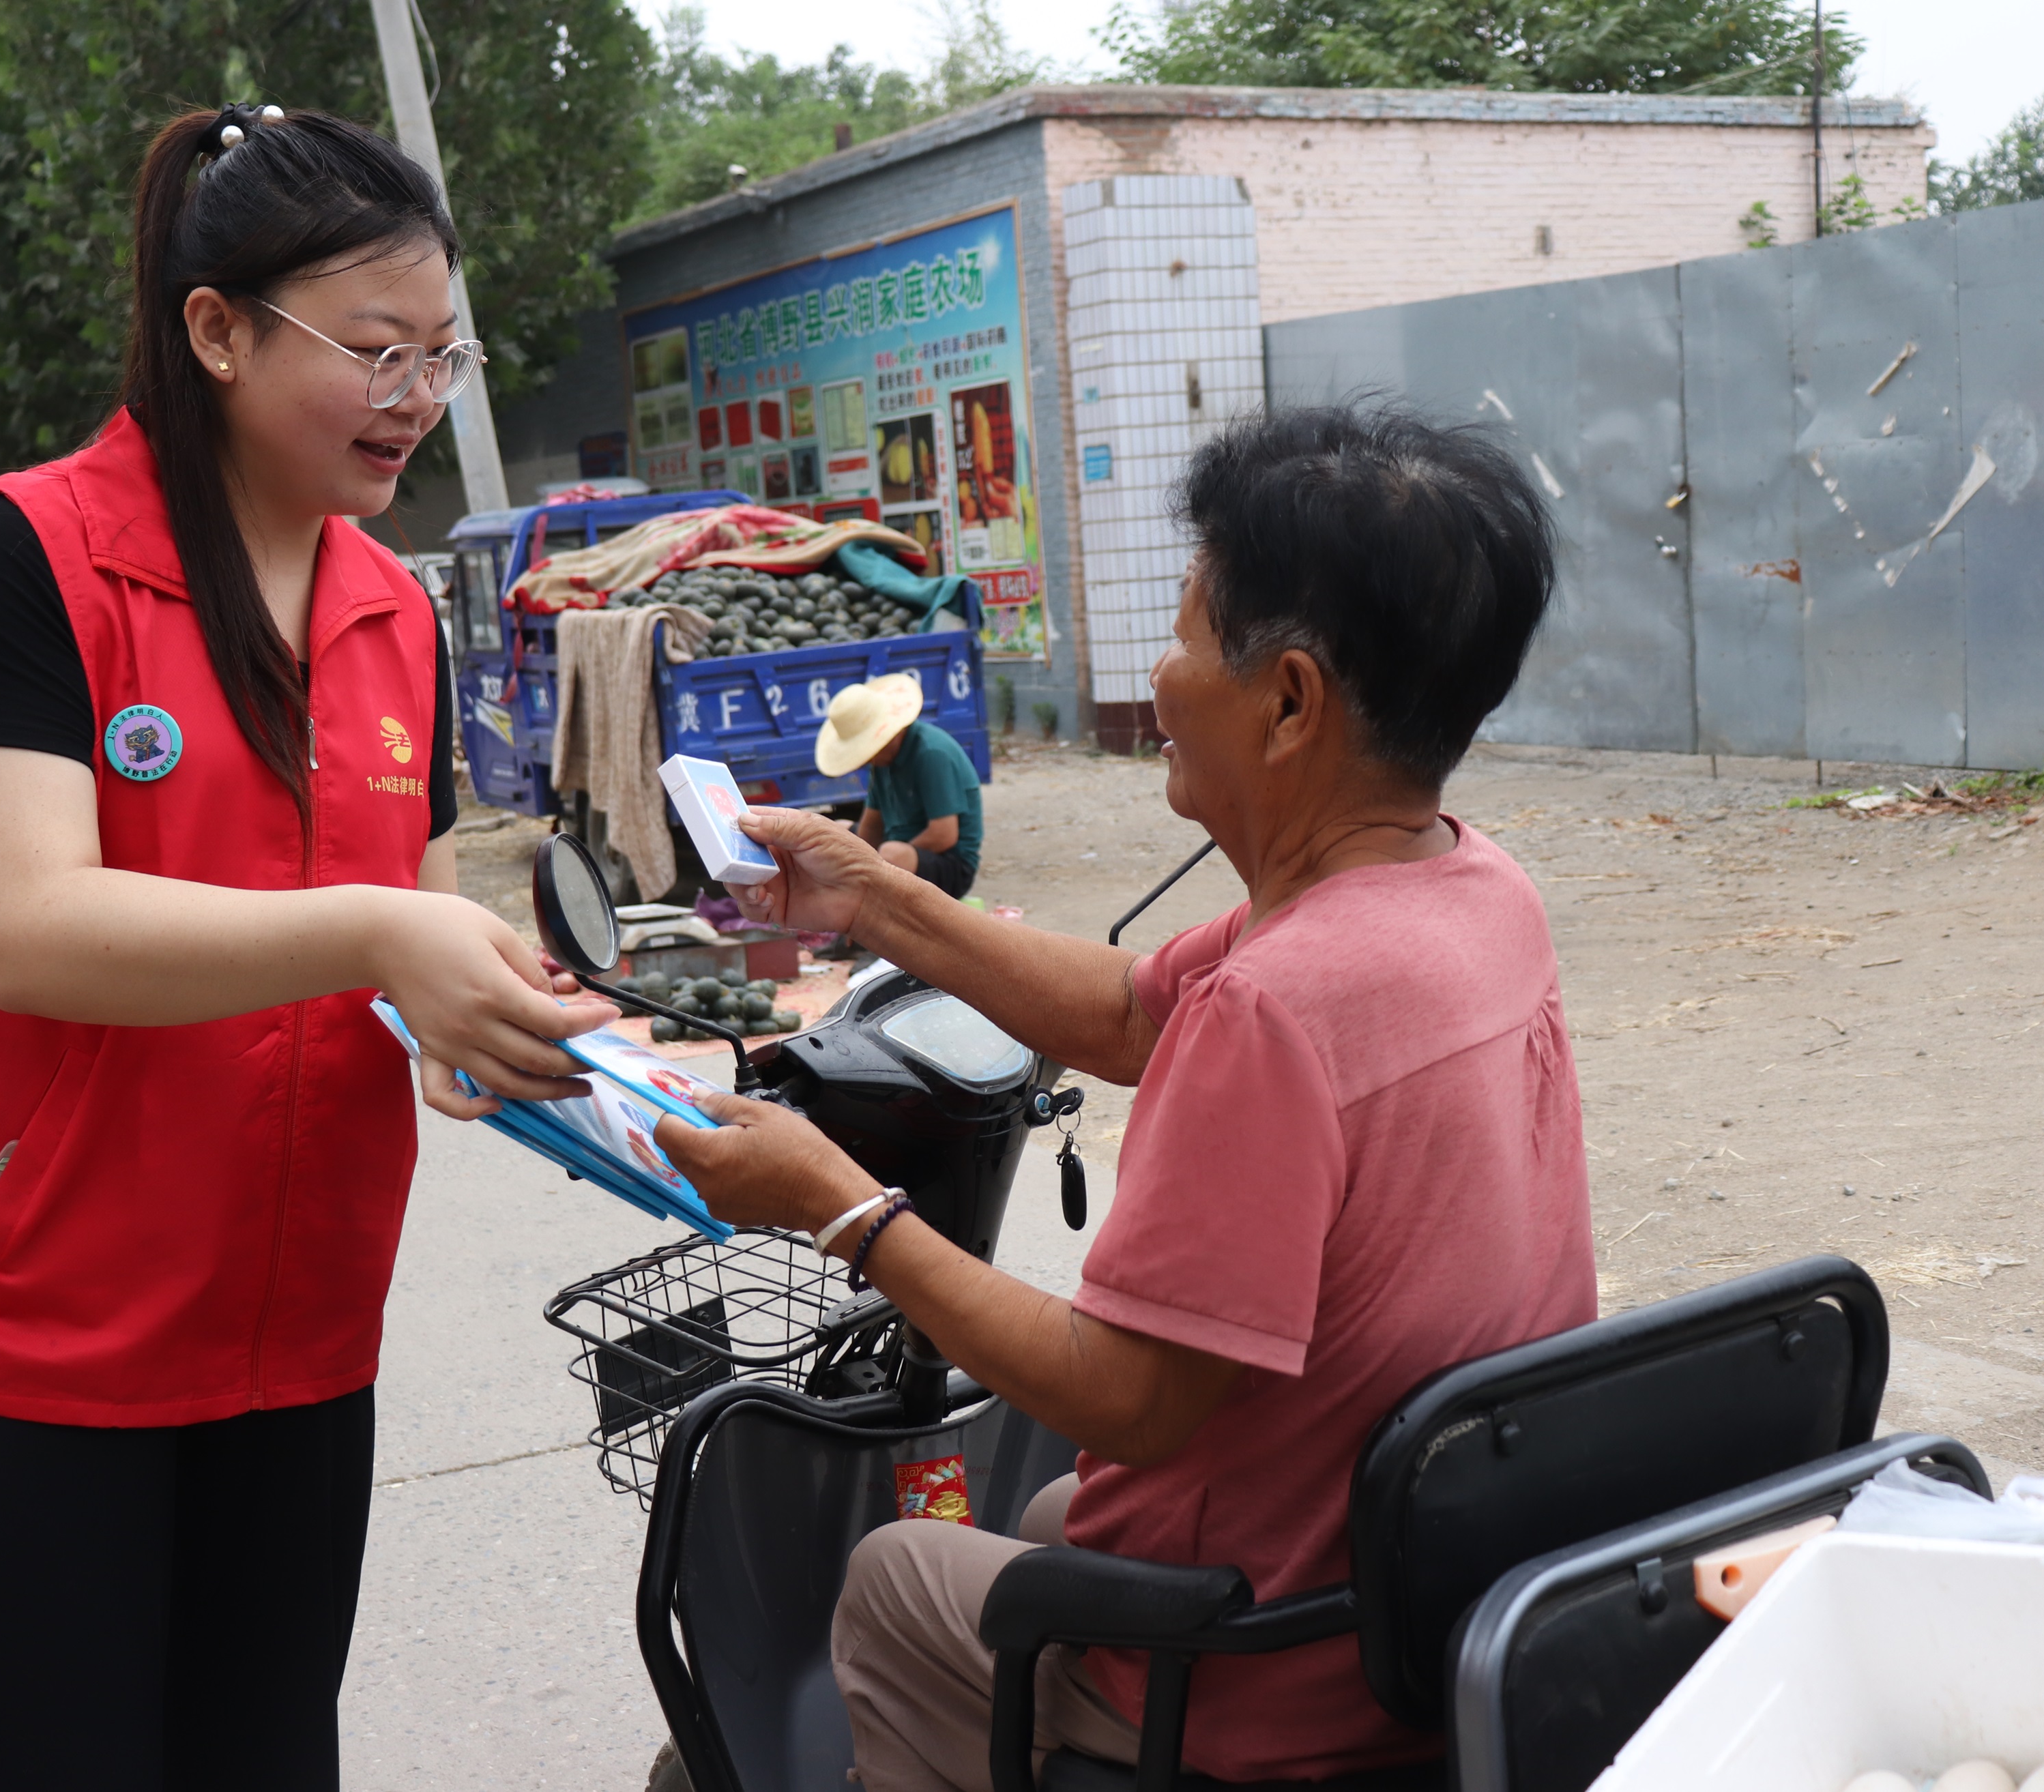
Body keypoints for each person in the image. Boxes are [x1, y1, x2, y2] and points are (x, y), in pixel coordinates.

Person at [0, 104, 611, 1791]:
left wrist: (473, 1017)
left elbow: (393, 920)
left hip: (297, 1327)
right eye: (375, 350)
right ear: (216, 332)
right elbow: (29, 930)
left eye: (443, 354)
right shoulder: (15, 563)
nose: (417, 395)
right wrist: (389, 931)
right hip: (33, 1343)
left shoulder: (395, 611)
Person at [656, 405, 1596, 1790]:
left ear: (1287, 703)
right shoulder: (1467, 889)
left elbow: (1127, 1397)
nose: (1158, 674)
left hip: (1270, 1684)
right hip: (1413, 1589)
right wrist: (876, 895)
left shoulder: (1275, 1009)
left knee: (897, 1569)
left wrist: (838, 1203)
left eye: (1185, 631)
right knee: (1043, 1505)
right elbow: (1116, 1009)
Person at [817, 671, 984, 897]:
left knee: (892, 854)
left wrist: (880, 868)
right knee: (840, 831)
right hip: (898, 845)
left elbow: (944, 835)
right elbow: (871, 826)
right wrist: (852, 856)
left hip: (950, 862)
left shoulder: (931, 753)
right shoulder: (883, 763)